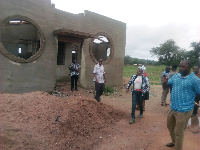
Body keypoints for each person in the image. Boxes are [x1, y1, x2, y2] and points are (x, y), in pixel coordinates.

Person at [162, 60, 200, 150]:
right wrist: (164, 82)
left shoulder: (195, 79)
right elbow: (166, 86)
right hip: (173, 108)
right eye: (180, 66)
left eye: (183, 67)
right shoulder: (176, 76)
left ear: (189, 67)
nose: (180, 68)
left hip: (184, 111)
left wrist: (193, 101)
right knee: (170, 126)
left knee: (179, 133)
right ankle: (174, 142)